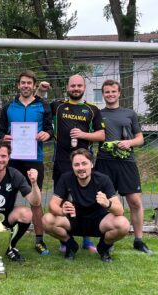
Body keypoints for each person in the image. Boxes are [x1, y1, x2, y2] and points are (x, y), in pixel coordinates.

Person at [37, 75, 105, 253]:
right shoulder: (58, 105)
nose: (76, 88)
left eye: (79, 85)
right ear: (67, 87)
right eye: (73, 85)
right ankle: (65, 237)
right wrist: (41, 90)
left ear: (84, 87)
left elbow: (101, 135)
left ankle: (87, 238)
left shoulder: (92, 109)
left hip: (84, 161)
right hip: (62, 160)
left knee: (87, 198)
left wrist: (83, 135)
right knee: (63, 198)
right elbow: (40, 103)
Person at [0, 70, 53, 256]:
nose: (26, 85)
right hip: (12, 160)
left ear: (34, 85)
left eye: (29, 83)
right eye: (23, 82)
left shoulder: (43, 106)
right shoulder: (8, 107)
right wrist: (4, 137)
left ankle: (39, 240)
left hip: (34, 160)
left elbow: (49, 130)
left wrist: (47, 134)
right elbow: (1, 132)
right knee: (7, 199)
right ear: (18, 85)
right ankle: (2, 236)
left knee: (35, 202)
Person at [42, 148, 130, 262]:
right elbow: (52, 204)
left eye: (84, 163)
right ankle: (71, 245)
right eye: (76, 165)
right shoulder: (66, 178)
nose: (81, 168)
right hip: (74, 221)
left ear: (91, 164)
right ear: (72, 167)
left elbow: (120, 211)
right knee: (46, 220)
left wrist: (107, 203)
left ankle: (103, 248)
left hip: (99, 222)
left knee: (123, 224)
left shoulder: (103, 180)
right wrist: (61, 211)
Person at [94, 79, 151, 254]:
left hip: (127, 162)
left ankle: (139, 240)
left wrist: (129, 142)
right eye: (107, 92)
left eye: (113, 91)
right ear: (102, 94)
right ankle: (108, 239)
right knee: (104, 202)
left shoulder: (130, 113)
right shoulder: (97, 113)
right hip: (104, 162)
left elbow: (140, 139)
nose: (110, 94)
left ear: (119, 93)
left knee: (135, 201)